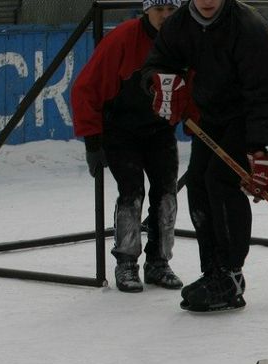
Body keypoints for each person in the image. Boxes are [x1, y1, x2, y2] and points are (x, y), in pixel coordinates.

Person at [142, 0, 268, 313]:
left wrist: (258, 148)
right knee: (198, 183)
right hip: (208, 115)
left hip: (243, 116)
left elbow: (267, 91)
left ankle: (231, 274)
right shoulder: (180, 24)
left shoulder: (250, 28)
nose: (208, 1)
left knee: (220, 180)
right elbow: (157, 63)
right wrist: (160, 84)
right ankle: (214, 271)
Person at [71, 0, 184, 294]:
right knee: (132, 193)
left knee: (167, 194)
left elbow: (193, 87)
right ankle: (126, 262)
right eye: (159, 9)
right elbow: (86, 88)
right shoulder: (122, 38)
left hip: (160, 131)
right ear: (147, 10)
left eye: (171, 10)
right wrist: (92, 139)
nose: (165, 16)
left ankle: (159, 262)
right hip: (121, 131)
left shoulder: (183, 40)